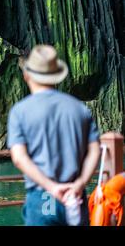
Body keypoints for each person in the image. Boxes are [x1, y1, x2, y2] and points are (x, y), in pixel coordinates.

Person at [7, 45, 101, 226]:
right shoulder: (79, 109)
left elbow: (19, 158)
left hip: (44, 197)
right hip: (75, 198)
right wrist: (80, 183)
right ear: (56, 76)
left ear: (27, 75)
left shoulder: (20, 111)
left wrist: (52, 187)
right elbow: (95, 150)